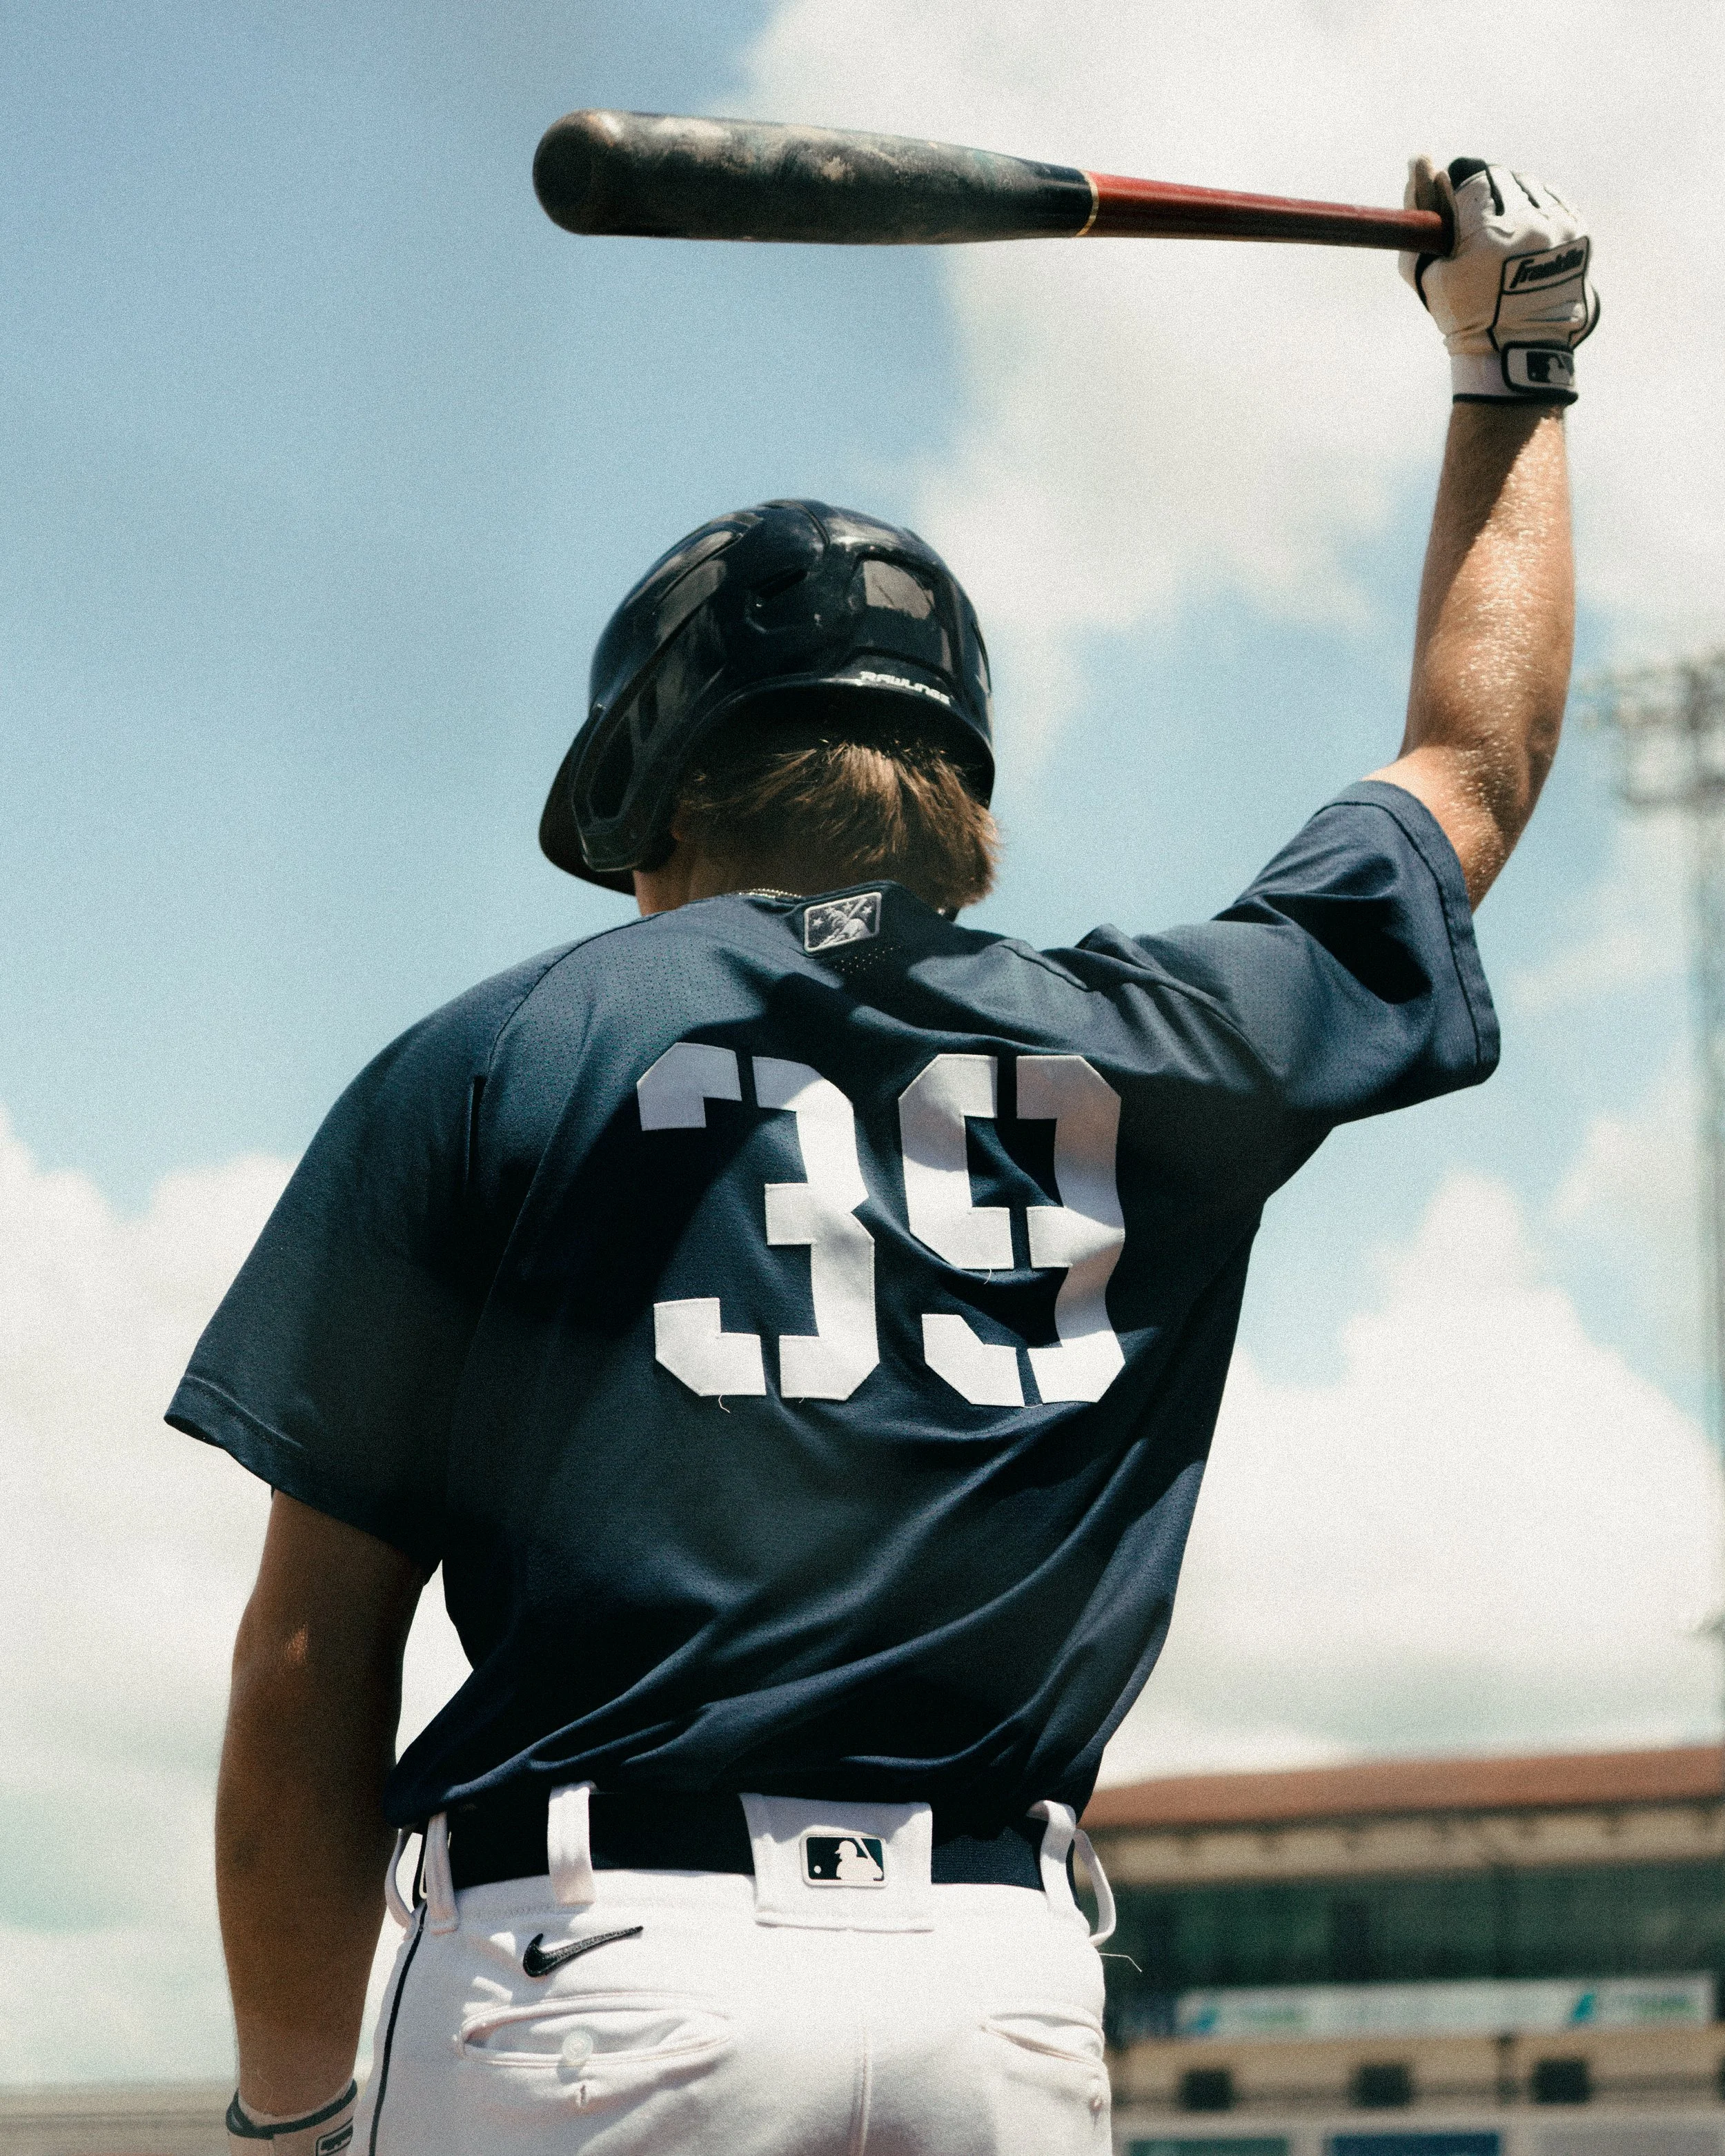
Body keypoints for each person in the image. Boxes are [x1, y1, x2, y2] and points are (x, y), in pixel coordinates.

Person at [177, 157, 1596, 2156]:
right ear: (958, 799)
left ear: (653, 800)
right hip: (991, 1998)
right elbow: (1470, 765)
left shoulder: (490, 1059)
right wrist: (1510, 372)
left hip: (592, 1982)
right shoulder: (1160, 1039)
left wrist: (293, 2112)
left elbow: (316, 1656)